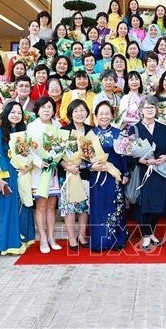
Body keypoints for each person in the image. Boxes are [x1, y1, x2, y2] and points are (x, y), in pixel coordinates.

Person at [129, 96, 166, 251]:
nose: (149, 110)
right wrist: (144, 161)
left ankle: (151, 232)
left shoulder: (162, 128)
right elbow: (129, 153)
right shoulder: (134, 128)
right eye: (146, 107)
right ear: (141, 111)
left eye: (152, 107)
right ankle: (146, 236)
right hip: (143, 172)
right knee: (144, 207)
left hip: (160, 172)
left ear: (156, 110)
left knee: (157, 206)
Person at [0, 102, 35, 255]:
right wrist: (2, 177)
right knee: (9, 208)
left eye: (19, 112)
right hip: (8, 173)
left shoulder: (23, 132)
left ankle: (24, 239)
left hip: (23, 172)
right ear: (6, 113)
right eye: (13, 112)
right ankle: (10, 244)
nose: (16, 115)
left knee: (24, 205)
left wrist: (27, 164)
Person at [88, 101, 129, 251]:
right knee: (98, 208)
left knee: (116, 207)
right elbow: (86, 157)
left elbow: (124, 155)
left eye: (107, 113)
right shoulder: (90, 134)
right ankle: (99, 242)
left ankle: (118, 241)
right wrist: (91, 166)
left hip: (115, 176)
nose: (104, 116)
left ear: (112, 115)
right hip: (97, 177)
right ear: (96, 116)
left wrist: (126, 173)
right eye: (101, 113)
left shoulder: (119, 133)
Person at [26, 97, 62, 254]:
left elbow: (62, 146)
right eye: (43, 107)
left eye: (49, 107)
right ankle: (42, 239)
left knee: (52, 205)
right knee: (41, 205)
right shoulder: (32, 126)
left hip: (53, 170)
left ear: (54, 110)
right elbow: (28, 149)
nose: (46, 110)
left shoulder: (58, 125)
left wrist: (55, 159)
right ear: (38, 110)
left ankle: (52, 237)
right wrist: (40, 162)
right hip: (38, 171)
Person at [59, 100, 92, 249]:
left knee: (84, 206)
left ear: (87, 112)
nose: (79, 114)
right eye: (76, 111)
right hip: (68, 174)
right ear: (71, 114)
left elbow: (95, 153)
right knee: (70, 207)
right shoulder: (64, 130)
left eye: (82, 110)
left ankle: (82, 236)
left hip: (86, 173)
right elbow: (57, 155)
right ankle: (72, 238)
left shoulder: (91, 131)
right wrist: (68, 167)